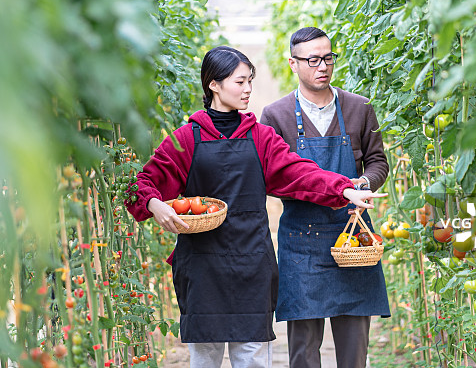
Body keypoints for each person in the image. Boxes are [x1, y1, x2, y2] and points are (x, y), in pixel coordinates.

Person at [125, 45, 385, 368]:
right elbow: (140, 185)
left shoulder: (261, 137)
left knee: (253, 361)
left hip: (253, 266)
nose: (248, 89)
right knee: (204, 361)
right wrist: (154, 205)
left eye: (251, 81)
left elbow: (300, 174)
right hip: (202, 269)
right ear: (214, 85)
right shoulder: (186, 139)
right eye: (240, 82)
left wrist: (344, 189)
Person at [260, 27, 391, 368]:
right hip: (302, 243)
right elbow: (272, 177)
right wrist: (322, 188)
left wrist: (362, 183)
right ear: (293, 63)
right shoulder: (276, 116)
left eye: (328, 58)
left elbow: (378, 161)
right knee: (303, 351)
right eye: (313, 59)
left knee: (354, 350)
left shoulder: (359, 108)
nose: (323, 66)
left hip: (354, 238)